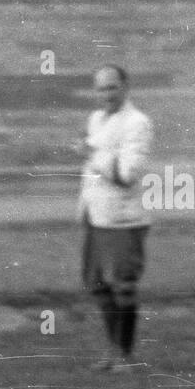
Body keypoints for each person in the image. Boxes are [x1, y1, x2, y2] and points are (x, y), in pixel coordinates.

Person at [78, 64, 154, 372]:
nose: (106, 95)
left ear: (125, 87)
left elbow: (127, 174)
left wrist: (90, 154)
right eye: (100, 89)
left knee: (123, 285)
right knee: (97, 285)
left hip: (123, 218)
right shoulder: (96, 119)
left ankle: (126, 355)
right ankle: (113, 353)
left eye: (111, 88)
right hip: (95, 215)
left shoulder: (138, 123)